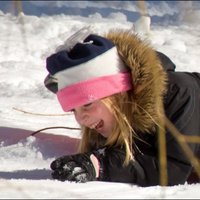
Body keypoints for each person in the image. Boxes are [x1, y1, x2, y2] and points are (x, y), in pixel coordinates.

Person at [44, 28, 200, 186]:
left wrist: (101, 165)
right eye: (73, 110)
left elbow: (174, 169)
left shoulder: (180, 93)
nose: (80, 118)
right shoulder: (111, 122)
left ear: (117, 95)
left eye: (87, 104)